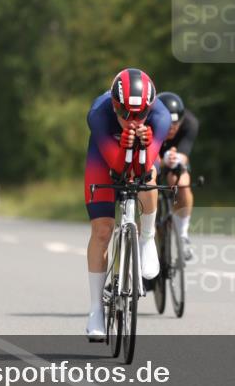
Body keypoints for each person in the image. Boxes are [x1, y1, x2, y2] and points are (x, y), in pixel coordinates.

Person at [84, 68, 171, 341]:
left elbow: (143, 171)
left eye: (140, 115)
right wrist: (124, 146)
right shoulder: (99, 114)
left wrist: (142, 146)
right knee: (102, 231)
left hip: (142, 160)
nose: (133, 122)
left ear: (150, 108)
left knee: (149, 177)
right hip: (104, 156)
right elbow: (118, 167)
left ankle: (146, 238)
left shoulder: (161, 117)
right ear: (114, 106)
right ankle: (96, 310)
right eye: (125, 115)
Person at [156, 92, 200, 261]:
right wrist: (161, 159)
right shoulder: (148, 122)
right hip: (152, 158)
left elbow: (184, 154)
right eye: (168, 124)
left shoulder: (190, 123)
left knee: (181, 182)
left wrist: (174, 159)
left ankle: (182, 234)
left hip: (174, 159)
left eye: (176, 124)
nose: (172, 129)